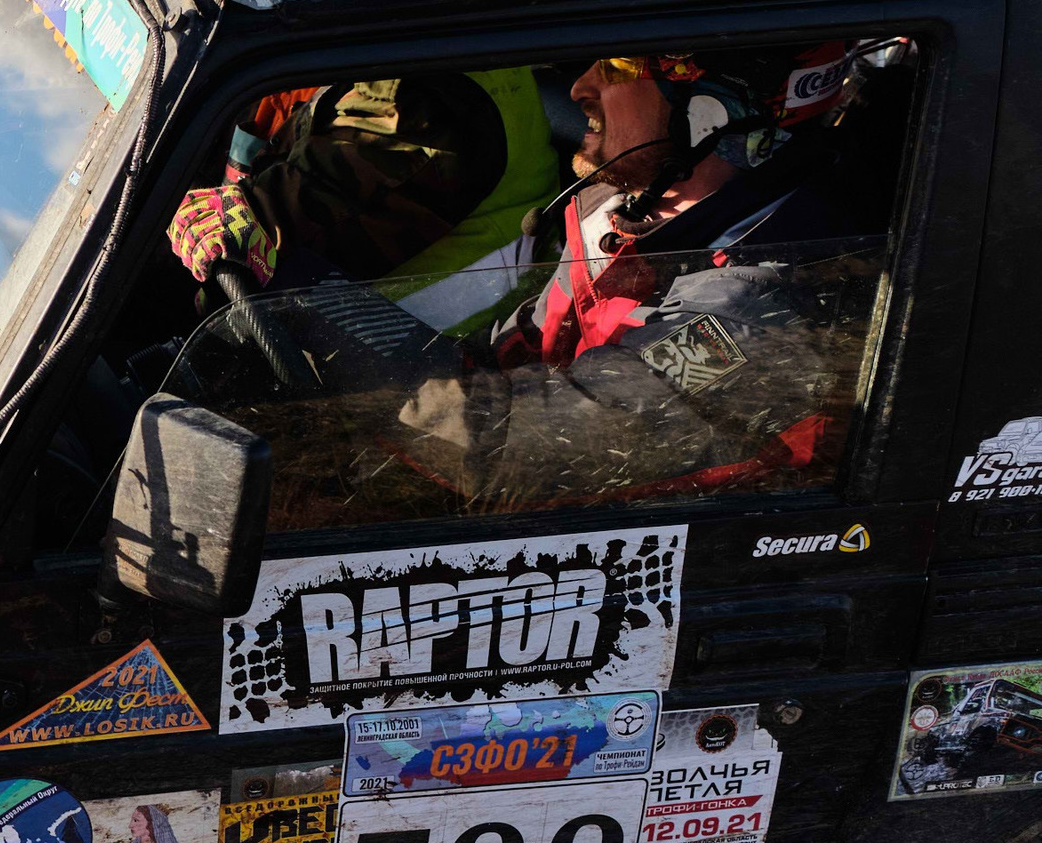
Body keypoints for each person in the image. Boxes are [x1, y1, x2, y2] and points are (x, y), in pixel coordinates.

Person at [387, 41, 887, 507]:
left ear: (708, 115)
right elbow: (519, 352)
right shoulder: (626, 212)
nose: (580, 87)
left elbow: (518, 450)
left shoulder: (762, 308)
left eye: (616, 67)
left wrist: (371, 385)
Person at [168, 67, 562, 334]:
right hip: (369, 356)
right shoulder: (386, 47)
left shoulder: (417, 104)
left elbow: (271, 233)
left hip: (428, 371)